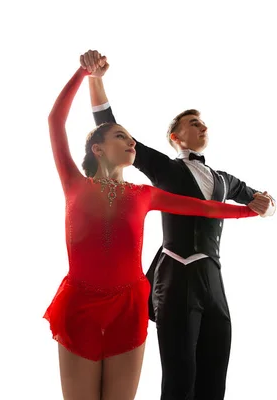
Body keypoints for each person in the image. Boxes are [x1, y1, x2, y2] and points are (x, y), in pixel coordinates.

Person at [44, 62, 262, 400]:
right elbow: (55, 120)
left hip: (128, 307)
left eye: (133, 139)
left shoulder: (144, 195)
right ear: (97, 149)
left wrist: (250, 210)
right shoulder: (73, 184)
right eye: (121, 137)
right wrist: (83, 74)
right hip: (80, 305)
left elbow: (204, 208)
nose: (132, 142)